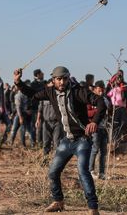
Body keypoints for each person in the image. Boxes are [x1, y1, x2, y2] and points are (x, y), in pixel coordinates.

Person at [14, 66, 106, 215]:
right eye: (58, 79)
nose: (61, 82)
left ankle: (93, 208)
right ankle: (58, 202)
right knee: (53, 172)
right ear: (53, 80)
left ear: (68, 78)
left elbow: (101, 101)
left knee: (83, 172)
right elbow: (33, 94)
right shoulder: (50, 92)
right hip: (66, 141)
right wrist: (18, 82)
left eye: (64, 78)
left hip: (82, 140)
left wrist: (94, 121)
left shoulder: (78, 91)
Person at [88, 80, 110, 180]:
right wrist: (97, 111)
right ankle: (90, 171)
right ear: (95, 89)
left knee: (103, 151)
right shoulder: (91, 99)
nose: (101, 92)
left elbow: (109, 111)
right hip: (95, 128)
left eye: (102, 90)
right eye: (99, 90)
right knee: (94, 149)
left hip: (104, 128)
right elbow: (87, 112)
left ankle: (102, 172)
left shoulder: (106, 99)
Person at [36, 81, 63, 156]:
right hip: (46, 123)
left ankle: (56, 161)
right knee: (46, 143)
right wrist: (38, 120)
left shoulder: (58, 96)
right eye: (49, 86)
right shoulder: (43, 97)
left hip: (57, 123)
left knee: (57, 142)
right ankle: (45, 160)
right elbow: (40, 109)